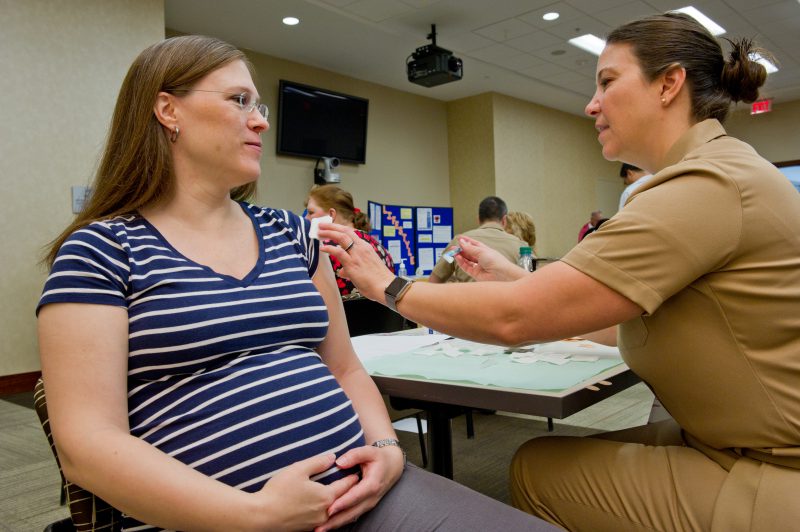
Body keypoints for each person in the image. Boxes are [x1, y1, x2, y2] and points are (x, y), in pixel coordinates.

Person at [36, 35, 552, 531]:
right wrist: (252, 514)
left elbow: (346, 369)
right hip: (217, 521)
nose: (260, 121)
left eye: (259, 105)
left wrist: (386, 451)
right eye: (240, 100)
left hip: (364, 492)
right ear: (168, 110)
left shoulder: (292, 235)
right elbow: (86, 444)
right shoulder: (101, 250)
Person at [319, 12, 800, 531]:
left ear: (669, 83)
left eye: (607, 82)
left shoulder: (705, 184)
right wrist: (517, 278)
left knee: (537, 467)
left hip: (771, 463)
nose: (592, 104)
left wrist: (385, 284)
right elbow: (620, 322)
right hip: (739, 439)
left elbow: (514, 320)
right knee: (557, 454)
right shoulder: (726, 169)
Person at [305, 184, 393, 297]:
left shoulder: (324, 249)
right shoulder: (376, 245)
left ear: (331, 214)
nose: (306, 218)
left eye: (311, 212)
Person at [429, 196, 526, 283]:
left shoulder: (459, 242)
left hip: (468, 301)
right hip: (507, 302)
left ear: (478, 219)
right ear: (504, 220)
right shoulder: (521, 246)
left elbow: (435, 279)